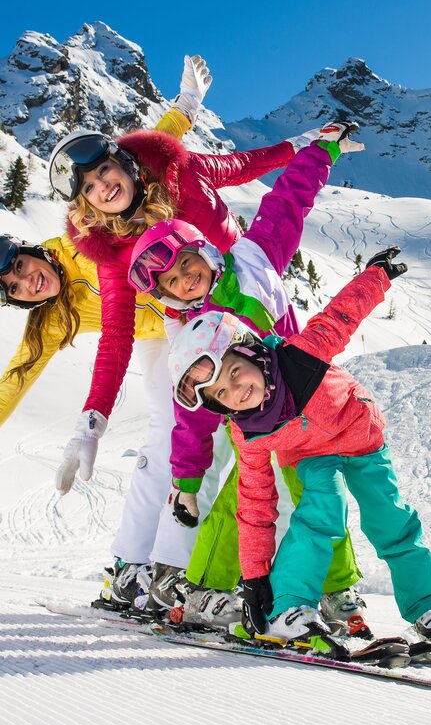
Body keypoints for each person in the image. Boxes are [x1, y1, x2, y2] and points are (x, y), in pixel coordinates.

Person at [46, 74, 326, 617]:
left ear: (123, 163)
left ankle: (293, 579)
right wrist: (94, 417)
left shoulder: (182, 174)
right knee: (182, 441)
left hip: (251, 298)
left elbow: (243, 166)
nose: (102, 186)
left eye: (103, 170)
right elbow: (117, 336)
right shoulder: (113, 251)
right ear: (88, 206)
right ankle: (145, 569)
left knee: (284, 437)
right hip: (192, 329)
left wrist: (305, 145)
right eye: (88, 189)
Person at [126, 122, 374, 636]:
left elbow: (287, 202)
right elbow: (190, 417)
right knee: (247, 503)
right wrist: (187, 483)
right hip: (253, 423)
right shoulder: (194, 332)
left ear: (205, 252)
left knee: (318, 494)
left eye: (187, 265)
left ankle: (334, 590)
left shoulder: (256, 258)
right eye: (172, 283)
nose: (185, 280)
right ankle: (206, 591)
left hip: (305, 405)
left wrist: (321, 151)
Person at [0, 57, 228, 615]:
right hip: (158, 337)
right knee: (172, 429)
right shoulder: (52, 319)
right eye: (15, 290)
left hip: (188, 310)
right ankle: (136, 567)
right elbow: (16, 379)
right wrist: (88, 426)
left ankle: (146, 565)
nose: (29, 283)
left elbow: (139, 160)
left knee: (198, 431)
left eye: (22, 268)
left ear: (32, 251)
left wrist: (187, 108)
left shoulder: (84, 238)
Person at [168, 248, 431, 657]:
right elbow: (255, 507)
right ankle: (292, 609)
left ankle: (429, 608)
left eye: (235, 372)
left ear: (251, 352)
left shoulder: (300, 359)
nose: (237, 391)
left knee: (391, 521)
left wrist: (376, 276)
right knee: (320, 517)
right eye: (221, 394)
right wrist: (254, 579)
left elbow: (342, 315)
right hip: (313, 457)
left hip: (363, 440)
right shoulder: (249, 432)